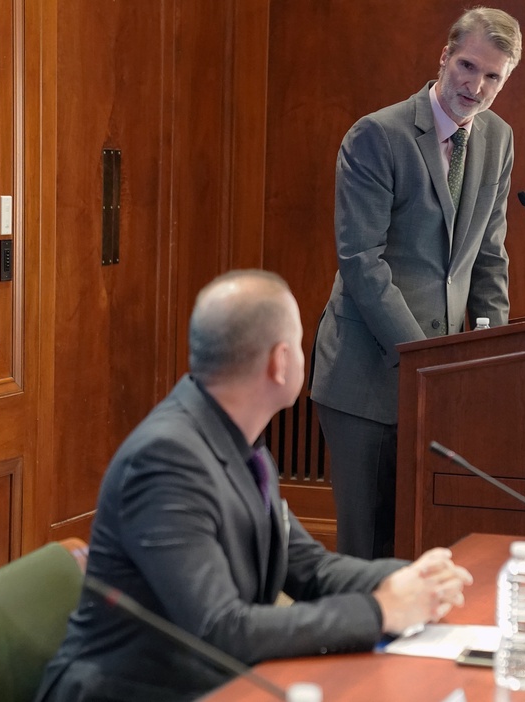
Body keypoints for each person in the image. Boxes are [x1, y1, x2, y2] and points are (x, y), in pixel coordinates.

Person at [36, 270, 473, 702]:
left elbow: (310, 569)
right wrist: (380, 611)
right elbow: (221, 630)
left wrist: (409, 578)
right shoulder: (166, 460)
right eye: (299, 344)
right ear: (279, 362)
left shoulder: (239, 440)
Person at [310, 7, 523, 559]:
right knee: (368, 553)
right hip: (368, 375)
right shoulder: (378, 135)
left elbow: (489, 256)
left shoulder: (498, 139)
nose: (475, 86)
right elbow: (362, 261)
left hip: (442, 386)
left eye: (493, 76)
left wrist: (487, 354)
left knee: (427, 548)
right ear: (444, 57)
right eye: (467, 66)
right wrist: (423, 361)